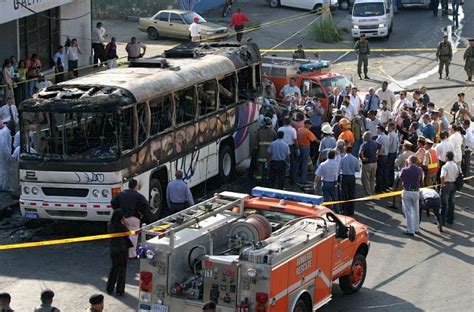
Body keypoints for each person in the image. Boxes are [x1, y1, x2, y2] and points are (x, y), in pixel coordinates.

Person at [111, 179, 150, 258]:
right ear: (135, 186)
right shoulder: (138, 196)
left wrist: (119, 213)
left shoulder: (121, 194)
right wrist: (141, 214)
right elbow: (146, 205)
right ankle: (132, 254)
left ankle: (122, 253)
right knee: (133, 236)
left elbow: (113, 202)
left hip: (122, 218)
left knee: (122, 235)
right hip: (134, 217)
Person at [106, 209, 132, 296]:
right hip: (122, 249)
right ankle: (120, 290)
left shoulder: (110, 224)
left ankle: (110, 288)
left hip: (113, 249)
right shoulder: (121, 226)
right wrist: (125, 223)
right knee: (122, 269)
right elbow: (128, 233)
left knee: (114, 268)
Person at [400, 155, 423, 236]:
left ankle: (410, 230)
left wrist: (406, 166)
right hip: (416, 192)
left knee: (408, 212)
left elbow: (401, 177)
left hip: (407, 191)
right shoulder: (419, 170)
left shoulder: (404, 170)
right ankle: (417, 228)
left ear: (409, 161)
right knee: (416, 211)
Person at [278, 116, 298, 184]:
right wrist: (297, 148)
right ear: (290, 122)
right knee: (292, 163)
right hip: (290, 147)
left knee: (281, 162)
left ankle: (281, 179)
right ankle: (291, 180)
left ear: (284, 121)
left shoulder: (280, 129)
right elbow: (295, 140)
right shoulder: (293, 130)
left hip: (281, 146)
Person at [340, 145, 359, 216]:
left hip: (344, 177)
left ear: (346, 150)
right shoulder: (355, 159)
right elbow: (358, 169)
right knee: (352, 194)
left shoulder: (343, 159)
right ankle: (351, 210)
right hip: (352, 177)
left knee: (344, 194)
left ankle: (344, 210)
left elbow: (339, 168)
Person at [440, 151, 459, 225]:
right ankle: (450, 219)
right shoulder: (455, 165)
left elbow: (442, 176)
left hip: (446, 185)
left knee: (444, 203)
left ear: (447, 157)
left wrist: (442, 184)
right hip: (453, 184)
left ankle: (442, 220)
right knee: (451, 202)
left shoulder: (445, 166)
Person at [359, 131, 378, 195]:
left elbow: (360, 153)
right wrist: (377, 154)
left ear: (365, 137)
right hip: (374, 163)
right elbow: (381, 147)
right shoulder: (375, 143)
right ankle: (373, 192)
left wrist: (362, 159)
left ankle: (369, 194)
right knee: (372, 179)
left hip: (367, 163)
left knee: (366, 180)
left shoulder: (364, 144)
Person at [375, 125, 389, 193]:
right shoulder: (386, 136)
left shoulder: (380, 137)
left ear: (379, 129)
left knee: (379, 173)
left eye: (377, 129)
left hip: (381, 155)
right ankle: (384, 187)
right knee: (384, 172)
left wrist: (377, 155)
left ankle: (379, 188)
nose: (376, 130)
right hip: (386, 155)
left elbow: (379, 148)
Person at [387, 122, 399, 188]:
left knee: (388, 168)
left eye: (388, 127)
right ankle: (391, 182)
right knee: (392, 168)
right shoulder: (395, 134)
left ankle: (388, 182)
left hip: (390, 152)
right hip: (394, 152)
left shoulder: (390, 135)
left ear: (391, 128)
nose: (387, 128)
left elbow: (388, 144)